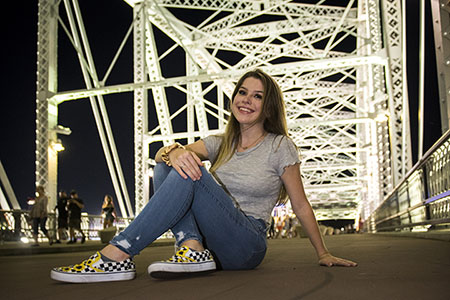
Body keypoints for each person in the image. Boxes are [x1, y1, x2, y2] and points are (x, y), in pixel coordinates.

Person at [50, 69, 357, 283]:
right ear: (233, 97)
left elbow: (300, 204)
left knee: (187, 166)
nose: (246, 100)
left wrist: (323, 251)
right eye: (242, 92)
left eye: (258, 96)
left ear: (268, 107)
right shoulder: (218, 143)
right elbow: (159, 157)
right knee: (173, 162)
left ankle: (119, 252)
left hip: (245, 245)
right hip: (213, 245)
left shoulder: (279, 147)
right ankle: (191, 248)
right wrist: (173, 151)